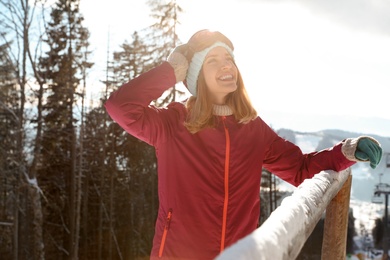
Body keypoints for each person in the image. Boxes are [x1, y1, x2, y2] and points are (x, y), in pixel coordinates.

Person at [105, 29, 382, 260]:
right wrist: (172, 70)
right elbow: (120, 106)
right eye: (212, 60)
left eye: (229, 58)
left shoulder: (253, 130)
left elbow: (300, 169)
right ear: (196, 76)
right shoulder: (173, 124)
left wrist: (346, 151)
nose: (226, 65)